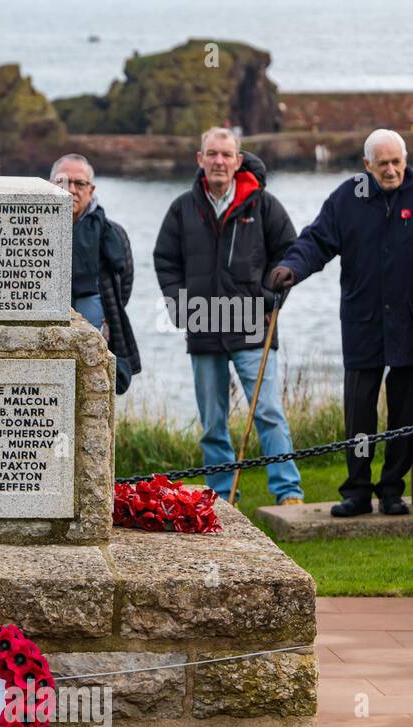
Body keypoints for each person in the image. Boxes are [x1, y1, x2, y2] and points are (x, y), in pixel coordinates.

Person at [153, 128, 304, 505]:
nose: (219, 161)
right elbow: (165, 262)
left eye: (226, 154)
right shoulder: (182, 208)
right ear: (199, 159)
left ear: (238, 160)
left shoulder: (263, 205)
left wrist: (270, 301)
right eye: (212, 154)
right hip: (204, 327)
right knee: (213, 423)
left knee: (268, 412)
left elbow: (289, 255)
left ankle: (288, 491)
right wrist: (181, 308)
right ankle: (221, 496)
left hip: (254, 325)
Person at [270, 129, 413, 517]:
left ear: (404, 158)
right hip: (363, 323)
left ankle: (392, 489)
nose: (391, 170)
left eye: (397, 161)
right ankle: (358, 491)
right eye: (382, 163)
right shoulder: (347, 199)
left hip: (408, 325)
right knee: (360, 412)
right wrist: (290, 268)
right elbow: (316, 242)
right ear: (366, 165)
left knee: (405, 414)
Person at [50, 153, 139, 394]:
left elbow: (125, 281)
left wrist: (107, 318)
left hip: (98, 330)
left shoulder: (112, 233)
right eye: (63, 182)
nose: (72, 189)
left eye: (80, 183)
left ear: (91, 189)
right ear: (51, 185)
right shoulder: (36, 230)